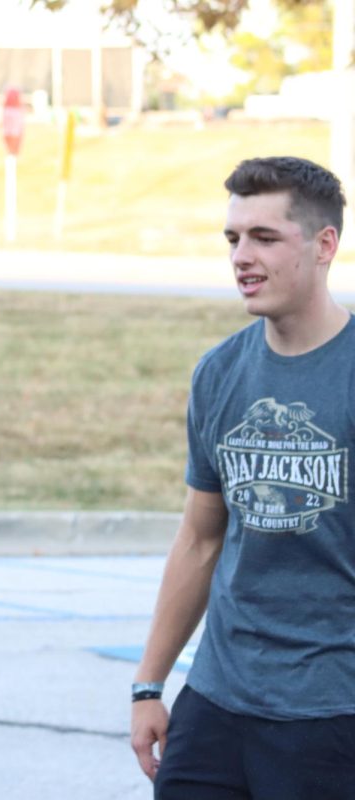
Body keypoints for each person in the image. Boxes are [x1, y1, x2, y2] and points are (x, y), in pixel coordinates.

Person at [130, 155, 354, 798]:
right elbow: (200, 539)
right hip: (217, 701)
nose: (241, 257)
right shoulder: (220, 373)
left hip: (332, 713)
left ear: (323, 245)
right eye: (233, 238)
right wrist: (149, 684)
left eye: (264, 237)